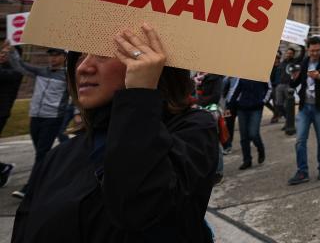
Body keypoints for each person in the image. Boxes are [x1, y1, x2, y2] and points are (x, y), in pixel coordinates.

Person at [12, 23, 219, 241]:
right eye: (79, 56)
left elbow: (140, 208)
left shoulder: (193, 129)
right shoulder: (60, 154)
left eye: (103, 55)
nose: (83, 67)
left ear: (153, 62)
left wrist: (140, 95)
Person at [7, 46, 68, 199]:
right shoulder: (41, 71)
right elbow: (20, 65)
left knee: (41, 153)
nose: (53, 58)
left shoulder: (68, 76)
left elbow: (76, 94)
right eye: (51, 55)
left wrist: (77, 113)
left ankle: (30, 188)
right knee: (42, 154)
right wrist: (12, 50)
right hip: (35, 116)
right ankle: (53, 176)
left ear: (64, 57)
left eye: (56, 55)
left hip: (53, 118)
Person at [288, 36, 320, 185]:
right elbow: (295, 82)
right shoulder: (303, 62)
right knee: (300, 141)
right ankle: (302, 171)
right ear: (308, 49)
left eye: (317, 50)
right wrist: (294, 76)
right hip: (304, 108)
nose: (315, 53)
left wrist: (319, 76)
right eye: (312, 50)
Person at [231, 78, 270, 170]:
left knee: (253, 133)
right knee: (244, 136)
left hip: (256, 108)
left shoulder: (262, 74)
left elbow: (269, 89)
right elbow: (236, 90)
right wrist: (231, 104)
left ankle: (260, 149)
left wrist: (263, 101)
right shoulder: (242, 75)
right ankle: (247, 160)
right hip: (242, 108)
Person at [0, 44, 23, 187]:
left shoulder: (15, 71)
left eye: (6, 53)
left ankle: (3, 168)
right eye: (1, 52)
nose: (2, 55)